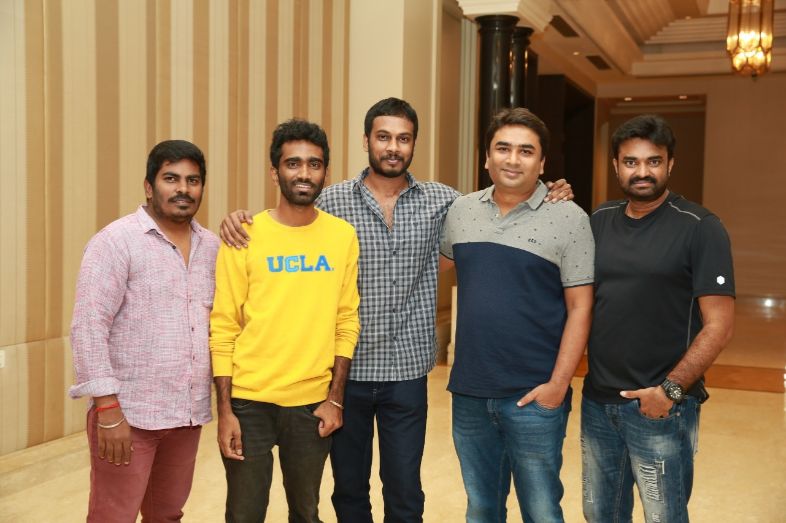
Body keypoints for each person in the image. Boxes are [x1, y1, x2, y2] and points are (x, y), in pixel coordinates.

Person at [219, 98, 573, 522]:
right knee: (349, 489)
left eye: (403, 139)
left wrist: (550, 189)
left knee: (405, 489)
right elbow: (287, 217)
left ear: (413, 144)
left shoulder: (446, 202)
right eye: (383, 137)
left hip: (407, 370)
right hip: (346, 372)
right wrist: (239, 218)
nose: (392, 147)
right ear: (366, 141)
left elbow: (498, 202)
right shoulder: (330, 201)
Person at [440, 107, 594, 522]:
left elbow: (581, 307)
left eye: (526, 151)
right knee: (481, 508)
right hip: (470, 392)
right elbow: (429, 267)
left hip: (534, 394)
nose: (512, 159)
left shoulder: (570, 218)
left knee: (541, 511)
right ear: (486, 158)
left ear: (542, 164)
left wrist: (558, 385)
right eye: (502, 148)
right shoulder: (461, 211)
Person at [581, 114, 735, 523]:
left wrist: (669, 391)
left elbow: (719, 326)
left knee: (663, 516)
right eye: (631, 162)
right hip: (598, 403)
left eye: (653, 161)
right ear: (616, 166)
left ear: (670, 164)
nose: (642, 172)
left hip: (662, 406)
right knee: (599, 514)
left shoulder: (701, 227)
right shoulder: (599, 220)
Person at [210, 119, 360, 522]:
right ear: (275, 172)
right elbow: (223, 326)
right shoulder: (243, 235)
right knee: (244, 515)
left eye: (314, 164)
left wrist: (335, 398)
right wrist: (225, 411)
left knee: (306, 514)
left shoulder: (342, 236)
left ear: (325, 172)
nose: (304, 173)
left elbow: (346, 321)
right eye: (293, 163)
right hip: (248, 403)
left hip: (311, 403)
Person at [69, 140, 219, 522]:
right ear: (149, 187)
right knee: (113, 516)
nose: (183, 189)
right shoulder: (116, 242)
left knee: (167, 515)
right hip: (128, 416)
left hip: (186, 415)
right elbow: (88, 326)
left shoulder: (213, 248)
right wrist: (108, 410)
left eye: (193, 180)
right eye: (171, 178)